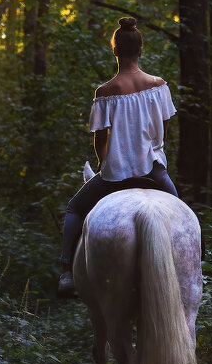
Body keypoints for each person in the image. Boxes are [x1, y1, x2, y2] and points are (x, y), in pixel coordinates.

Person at [58, 17, 180, 298]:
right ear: (140, 50)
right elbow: (164, 128)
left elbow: (100, 137)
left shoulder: (105, 92)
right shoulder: (159, 86)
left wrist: (104, 163)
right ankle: (199, 264)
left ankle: (66, 273)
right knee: (183, 213)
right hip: (154, 171)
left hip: (115, 174)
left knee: (75, 209)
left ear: (115, 51)